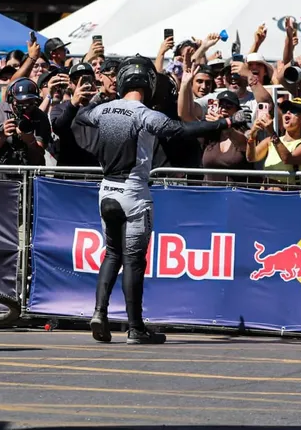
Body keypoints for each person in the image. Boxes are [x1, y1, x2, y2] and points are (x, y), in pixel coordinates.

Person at [71, 56, 247, 345]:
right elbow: (180, 130)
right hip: (134, 192)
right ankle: (135, 327)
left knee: (111, 254)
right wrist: (226, 122)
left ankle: (99, 313)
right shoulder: (144, 114)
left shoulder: (102, 110)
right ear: (150, 84)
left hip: (106, 190)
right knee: (133, 261)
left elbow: (79, 118)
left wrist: (91, 101)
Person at [246, 97, 301, 183]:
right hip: (266, 191)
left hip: (287, 194)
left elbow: (287, 158)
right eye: (286, 110)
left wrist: (272, 132)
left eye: (294, 111)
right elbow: (251, 158)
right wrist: (252, 135)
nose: (288, 112)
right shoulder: (269, 141)